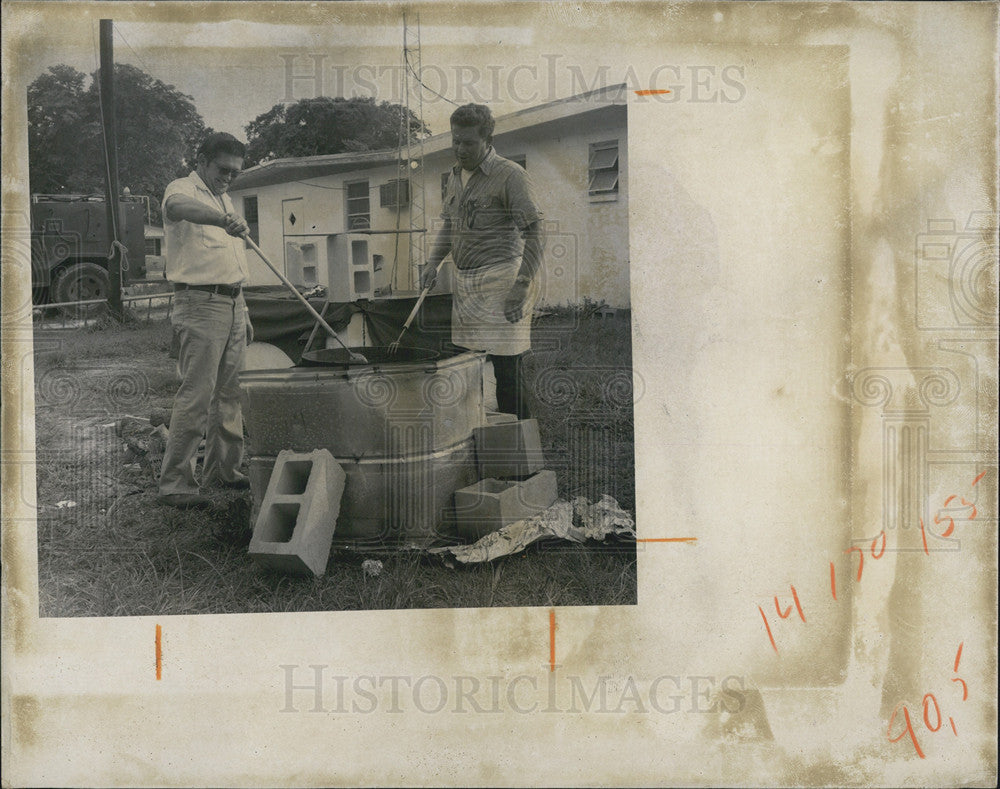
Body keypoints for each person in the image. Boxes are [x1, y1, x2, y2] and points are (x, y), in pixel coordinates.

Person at [421, 103, 544, 419]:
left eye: (468, 143)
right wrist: (432, 264)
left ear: (488, 140)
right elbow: (450, 226)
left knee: (508, 372)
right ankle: (474, 446)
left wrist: (521, 285)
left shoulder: (510, 175)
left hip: (503, 281)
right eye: (455, 140)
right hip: (465, 286)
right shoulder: (454, 176)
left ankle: (519, 461)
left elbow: (536, 234)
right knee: (465, 370)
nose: (460, 149)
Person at [157, 132, 253, 508]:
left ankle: (224, 470)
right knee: (196, 395)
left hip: (232, 303)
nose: (228, 177)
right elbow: (179, 207)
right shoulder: (182, 188)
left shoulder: (225, 197)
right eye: (223, 169)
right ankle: (175, 484)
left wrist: (243, 310)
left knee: (230, 395)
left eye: (235, 172)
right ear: (201, 161)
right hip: (198, 303)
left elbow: (233, 265)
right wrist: (221, 219)